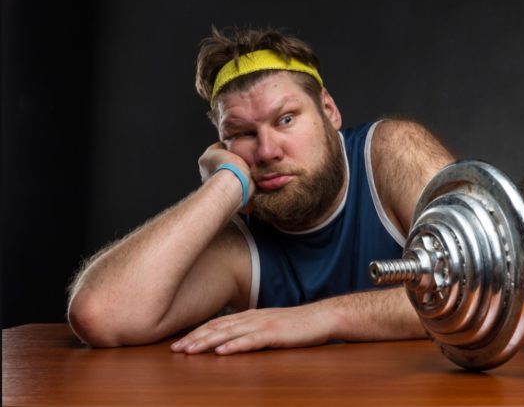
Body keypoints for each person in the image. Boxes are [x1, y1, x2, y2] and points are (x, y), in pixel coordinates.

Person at [67, 27, 455, 355]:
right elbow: (100, 314)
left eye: (285, 119)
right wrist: (225, 185)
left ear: (329, 110)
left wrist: (320, 316)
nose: (267, 151)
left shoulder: (391, 152)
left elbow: (488, 285)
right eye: (241, 134)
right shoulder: (241, 243)